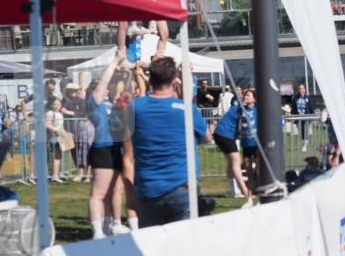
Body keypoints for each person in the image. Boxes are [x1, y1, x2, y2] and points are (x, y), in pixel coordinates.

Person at [129, 57, 211, 226]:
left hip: (147, 187)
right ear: (174, 81)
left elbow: (120, 107)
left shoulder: (134, 107)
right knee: (185, 245)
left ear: (150, 79)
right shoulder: (186, 109)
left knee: (151, 247)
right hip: (181, 186)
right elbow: (206, 138)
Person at [87, 50, 129, 238]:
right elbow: (104, 82)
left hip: (116, 149)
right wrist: (115, 61)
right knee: (98, 193)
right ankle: (97, 231)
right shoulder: (94, 104)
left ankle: (110, 224)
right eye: (102, 89)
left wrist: (128, 76)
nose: (106, 90)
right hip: (103, 148)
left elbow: (125, 96)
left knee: (114, 190)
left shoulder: (110, 104)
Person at [212, 88, 254, 205]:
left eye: (248, 95)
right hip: (224, 134)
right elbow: (241, 128)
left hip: (222, 134)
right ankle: (246, 193)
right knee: (236, 162)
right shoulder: (242, 109)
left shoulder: (246, 109)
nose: (246, 97)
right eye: (245, 95)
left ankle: (234, 191)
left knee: (232, 164)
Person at [45, 98, 66, 183]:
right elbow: (48, 125)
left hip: (60, 137)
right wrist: (56, 130)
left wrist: (64, 133)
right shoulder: (50, 113)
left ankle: (57, 173)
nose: (57, 106)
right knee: (56, 155)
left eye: (58, 104)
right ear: (51, 105)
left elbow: (60, 125)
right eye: (55, 104)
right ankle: (54, 175)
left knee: (58, 155)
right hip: (53, 137)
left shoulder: (60, 114)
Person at [292, 83, 316, 151]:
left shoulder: (308, 98)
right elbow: (293, 108)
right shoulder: (295, 98)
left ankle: (305, 144)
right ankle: (303, 143)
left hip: (306, 117)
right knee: (300, 131)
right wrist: (292, 116)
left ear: (305, 89)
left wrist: (312, 117)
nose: (301, 90)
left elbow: (311, 108)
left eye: (302, 89)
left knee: (305, 131)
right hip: (298, 117)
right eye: (299, 89)